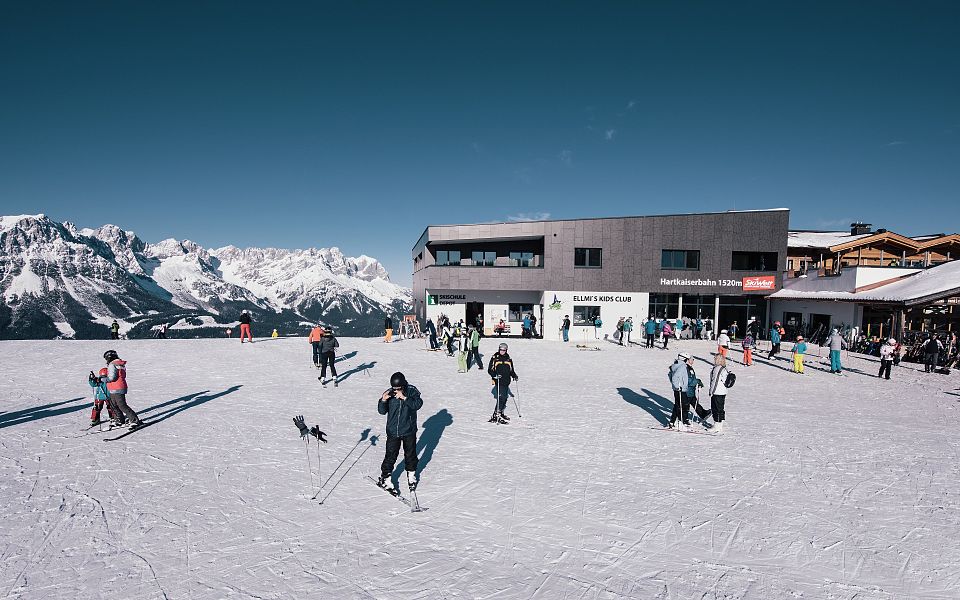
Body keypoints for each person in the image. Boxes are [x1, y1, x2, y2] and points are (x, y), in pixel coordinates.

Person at [376, 372, 424, 492]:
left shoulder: (412, 391)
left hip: (409, 430)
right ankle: (386, 478)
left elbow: (418, 404)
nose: (396, 390)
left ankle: (411, 476)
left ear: (403, 385)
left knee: (410, 455)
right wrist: (383, 400)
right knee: (390, 455)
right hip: (393, 431)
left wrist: (405, 398)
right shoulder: (390, 392)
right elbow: (382, 411)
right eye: (394, 388)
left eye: (398, 388)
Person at [98, 350, 142, 429]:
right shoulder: (120, 364)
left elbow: (112, 378)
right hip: (117, 387)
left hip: (116, 387)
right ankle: (119, 420)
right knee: (114, 405)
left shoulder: (112, 365)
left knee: (121, 405)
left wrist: (102, 379)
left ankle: (134, 420)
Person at [487, 342, 518, 424]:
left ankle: (500, 412)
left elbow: (511, 370)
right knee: (501, 397)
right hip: (498, 380)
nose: (502, 351)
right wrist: (494, 375)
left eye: (504, 350)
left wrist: (514, 375)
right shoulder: (495, 358)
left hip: (506, 381)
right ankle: (496, 415)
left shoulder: (508, 359)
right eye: (501, 350)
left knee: (505, 398)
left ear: (506, 350)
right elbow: (490, 370)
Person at [668, 353, 693, 430]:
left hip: (680, 389)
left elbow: (670, 375)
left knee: (678, 405)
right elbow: (674, 377)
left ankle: (672, 421)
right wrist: (677, 386)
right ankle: (680, 422)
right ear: (684, 359)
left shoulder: (677, 365)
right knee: (682, 405)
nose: (687, 360)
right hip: (680, 389)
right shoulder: (682, 366)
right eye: (686, 359)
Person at [707, 353, 730, 433]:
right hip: (723, 391)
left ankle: (717, 425)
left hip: (717, 392)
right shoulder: (724, 369)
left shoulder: (717, 369)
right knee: (720, 408)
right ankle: (720, 424)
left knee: (715, 408)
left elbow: (715, 381)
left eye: (715, 358)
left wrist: (711, 391)